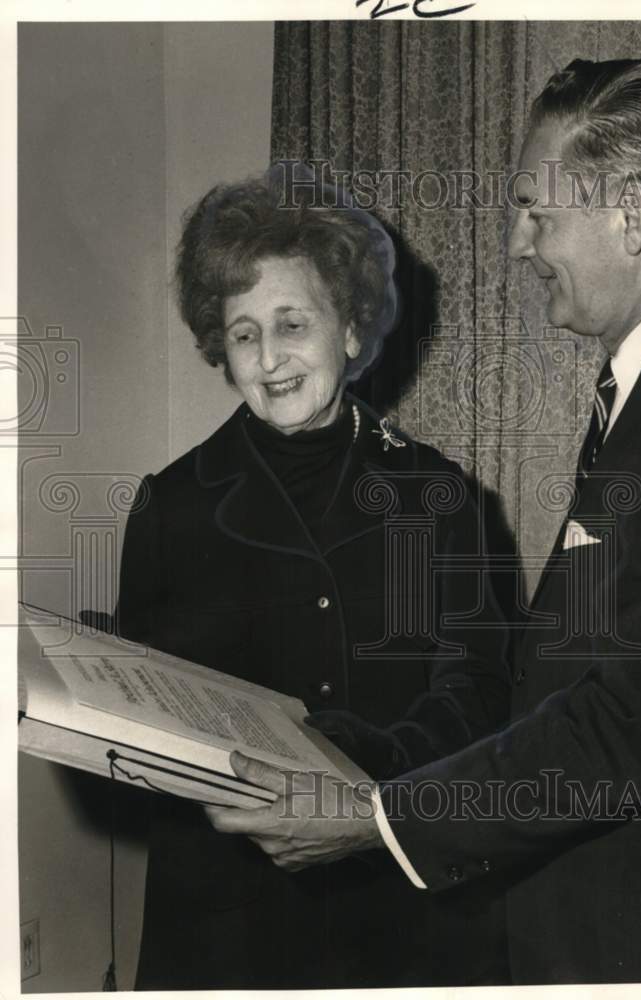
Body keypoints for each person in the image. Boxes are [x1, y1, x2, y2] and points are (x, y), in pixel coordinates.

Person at [207, 60, 641, 984]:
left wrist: (376, 817)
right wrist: (365, 762)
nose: (517, 242)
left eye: (534, 211)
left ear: (630, 213)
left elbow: (618, 726)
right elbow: (561, 675)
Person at [114, 166, 511, 989]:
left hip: (396, 902)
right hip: (229, 918)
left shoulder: (438, 496)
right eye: (243, 333)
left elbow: (476, 689)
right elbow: (142, 705)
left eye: (292, 324)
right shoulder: (171, 504)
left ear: (354, 330)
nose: (269, 357)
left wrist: (362, 784)